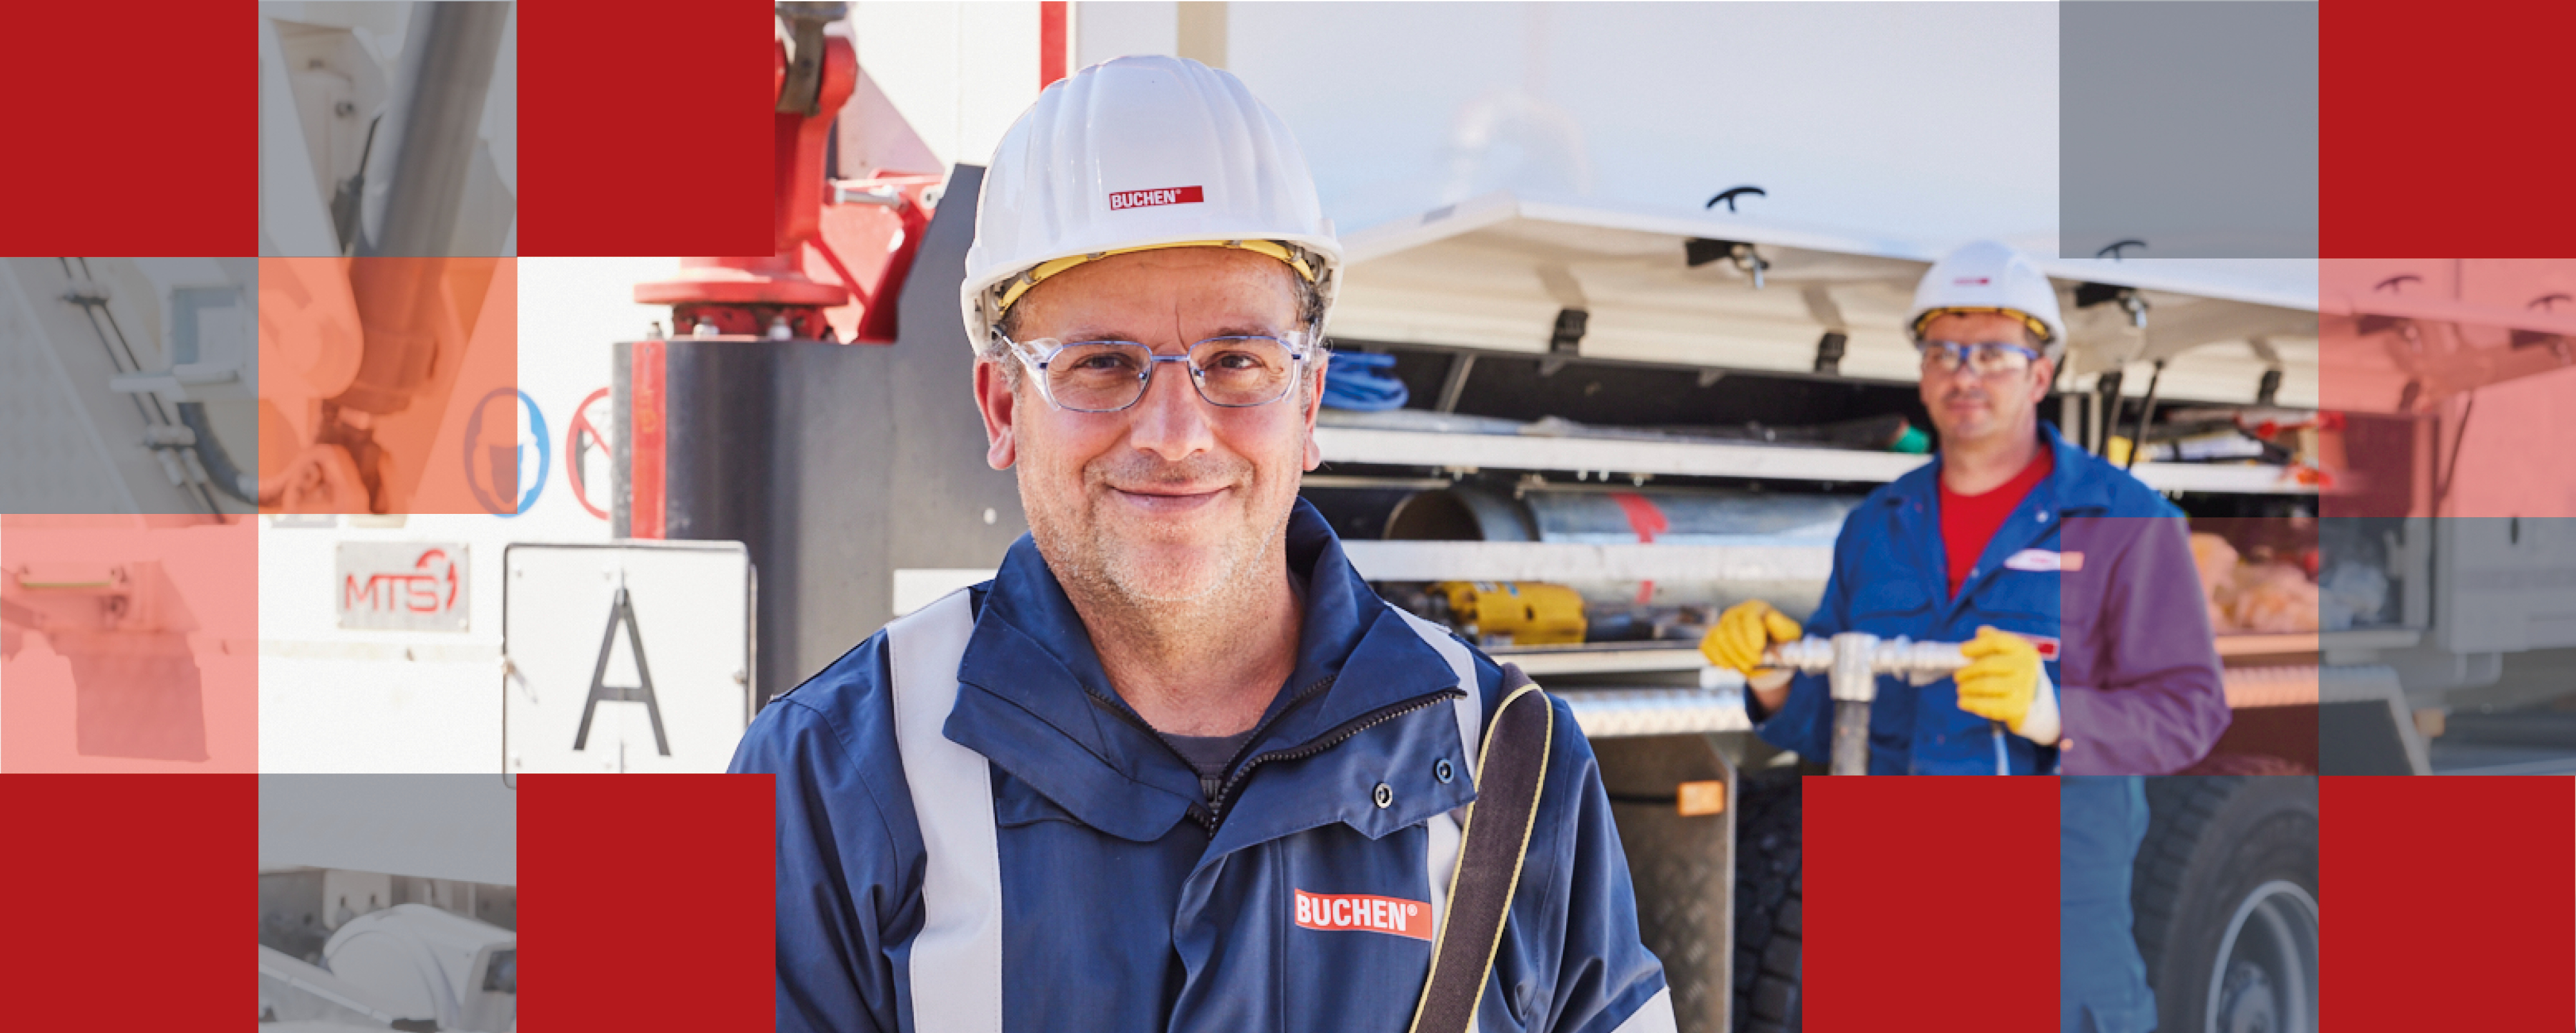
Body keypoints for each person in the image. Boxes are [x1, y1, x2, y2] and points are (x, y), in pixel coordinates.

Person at [729, 55, 1674, 1033]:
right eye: (1100, 364)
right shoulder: (824, 776)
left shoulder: (1512, 765)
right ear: (1002, 405)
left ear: (1309, 402)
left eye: (1236, 361)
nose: (1175, 435)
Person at [1697, 241, 2231, 1032]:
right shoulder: (1877, 528)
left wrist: (2054, 713)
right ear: (1921, 373)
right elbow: (1829, 726)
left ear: (2040, 374)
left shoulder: (2127, 521)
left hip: (2055, 929)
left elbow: (2192, 712)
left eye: (1993, 351)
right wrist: (1775, 673)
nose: (1964, 371)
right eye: (1942, 350)